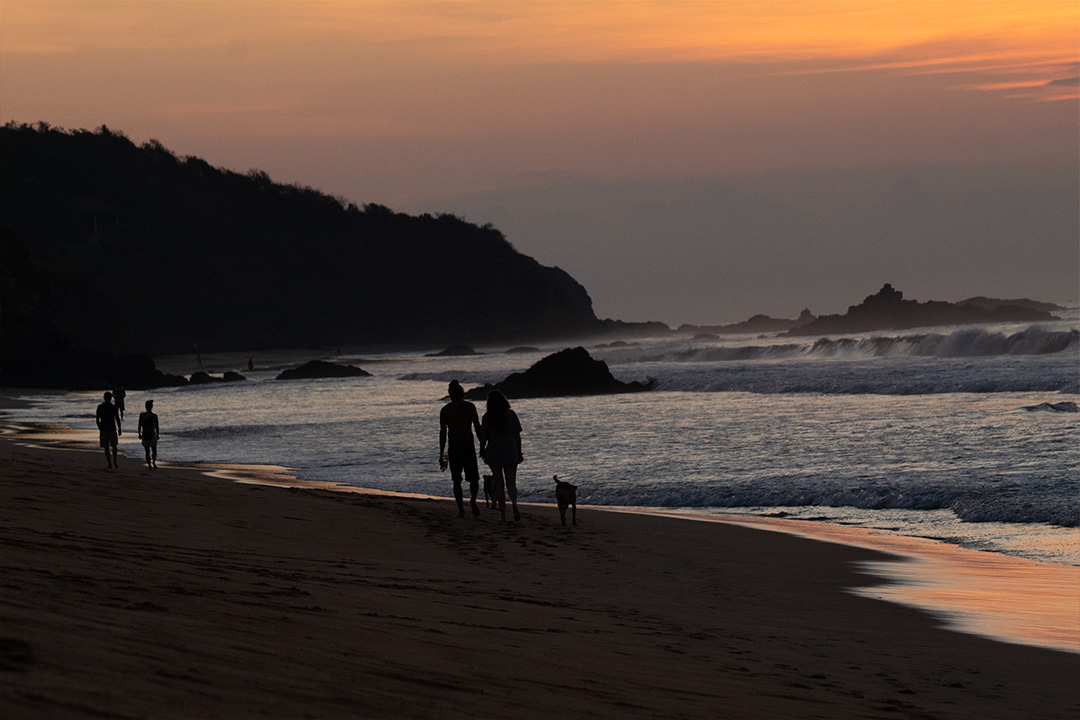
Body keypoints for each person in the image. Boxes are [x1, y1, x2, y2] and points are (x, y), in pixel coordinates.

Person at [439, 380, 484, 518]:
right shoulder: (470, 407)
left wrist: (442, 455)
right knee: (474, 478)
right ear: (462, 393)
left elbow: (443, 434)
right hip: (468, 445)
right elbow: (477, 427)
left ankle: (461, 511)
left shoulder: (445, 410)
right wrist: (483, 446)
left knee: (456, 480)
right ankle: (473, 500)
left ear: (450, 394)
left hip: (454, 446)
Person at [480, 390, 523, 522]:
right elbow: (517, 436)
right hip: (510, 451)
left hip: (494, 452)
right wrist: (519, 452)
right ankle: (514, 504)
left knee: (499, 485)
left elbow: (483, 438)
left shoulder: (487, 417)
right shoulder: (511, 414)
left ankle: (503, 515)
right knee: (511, 483)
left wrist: (482, 450)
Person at [95, 391, 122, 469]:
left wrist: (99, 427)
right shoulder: (113, 407)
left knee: (106, 447)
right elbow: (117, 418)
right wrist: (119, 428)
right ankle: (114, 461)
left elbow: (97, 419)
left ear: (104, 398)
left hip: (104, 428)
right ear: (111, 398)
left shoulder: (100, 407)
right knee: (114, 446)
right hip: (112, 428)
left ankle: (110, 463)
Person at [138, 399, 159, 469]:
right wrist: (158, 434)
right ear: (152, 407)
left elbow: (139, 425)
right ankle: (154, 462)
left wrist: (139, 433)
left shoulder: (142, 415)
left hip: (145, 433)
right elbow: (157, 426)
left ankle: (149, 465)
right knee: (154, 450)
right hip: (152, 434)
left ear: (145, 407)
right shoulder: (154, 416)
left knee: (147, 451)